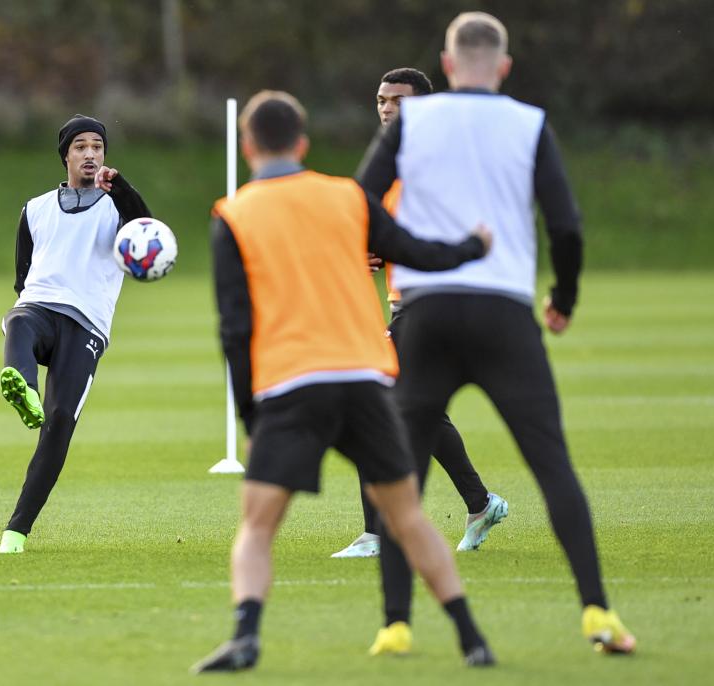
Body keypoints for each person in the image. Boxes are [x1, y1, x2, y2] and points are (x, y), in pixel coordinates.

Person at [357, 12, 636, 654]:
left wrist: (400, 248)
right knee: (552, 465)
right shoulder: (529, 123)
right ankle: (597, 612)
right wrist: (562, 298)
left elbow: (360, 202)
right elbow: (566, 226)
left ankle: (395, 625)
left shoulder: (414, 124)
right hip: (506, 313)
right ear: (503, 69)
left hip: (425, 310)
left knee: (403, 474)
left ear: (448, 68)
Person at [192, 90, 496, 672]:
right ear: (303, 143)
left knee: (257, 526)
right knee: (407, 517)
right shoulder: (348, 196)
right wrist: (471, 247)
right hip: (364, 377)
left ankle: (246, 636)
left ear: (248, 145)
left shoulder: (233, 214)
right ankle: (470, 636)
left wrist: (250, 415)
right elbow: (414, 252)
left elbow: (234, 327)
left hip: (291, 382)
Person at [333, 66, 508, 562]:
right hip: (407, 303)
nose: (386, 107)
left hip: (436, 301)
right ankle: (480, 503)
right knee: (417, 407)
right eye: (381, 99)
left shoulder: (439, 163)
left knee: (371, 399)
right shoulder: (389, 163)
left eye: (398, 100)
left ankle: (378, 531)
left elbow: (450, 231)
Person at [0, 114, 151, 554]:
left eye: (97, 147)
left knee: (60, 421)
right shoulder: (35, 209)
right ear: (65, 155)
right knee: (19, 318)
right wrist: (27, 299)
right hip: (42, 304)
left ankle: (15, 533)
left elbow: (146, 226)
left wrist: (119, 187)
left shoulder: (116, 205)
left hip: (87, 324)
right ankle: (22, 385)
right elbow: (22, 275)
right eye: (81, 146)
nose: (90, 153)